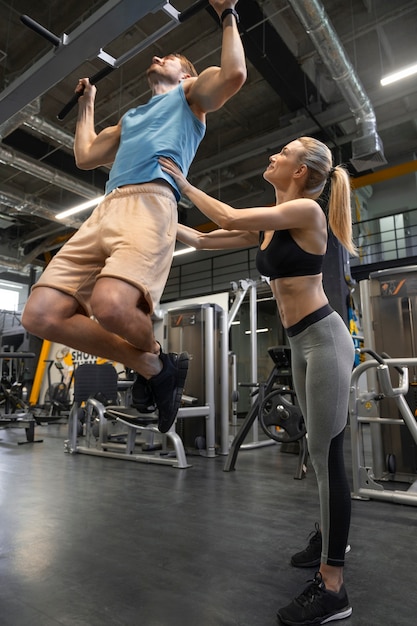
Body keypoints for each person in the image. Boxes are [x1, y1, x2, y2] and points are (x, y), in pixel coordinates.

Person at [22, 0, 246, 434]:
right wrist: (89, 102)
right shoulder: (130, 117)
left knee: (110, 306)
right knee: (39, 315)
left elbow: (234, 75)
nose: (156, 57)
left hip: (151, 203)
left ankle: (153, 359)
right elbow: (86, 155)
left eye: (169, 58)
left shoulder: (189, 96)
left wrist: (228, 13)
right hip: (105, 208)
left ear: (186, 75)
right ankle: (155, 364)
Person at [159, 136, 357, 625]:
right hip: (300, 343)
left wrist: (181, 183)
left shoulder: (308, 213)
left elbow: (225, 216)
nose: (272, 155)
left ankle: (333, 587)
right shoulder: (272, 225)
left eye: (282, 153)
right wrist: (158, 218)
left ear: (301, 171)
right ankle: (326, 534)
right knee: (317, 452)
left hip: (325, 339)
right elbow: (206, 239)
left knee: (327, 454)